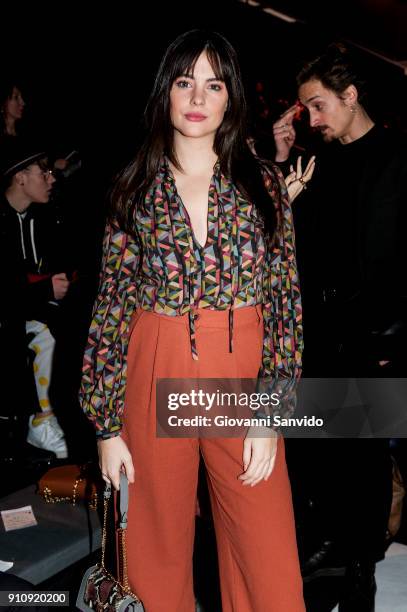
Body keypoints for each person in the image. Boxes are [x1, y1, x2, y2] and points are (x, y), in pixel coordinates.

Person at [79, 29, 312, 612]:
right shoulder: (133, 190)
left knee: (267, 552)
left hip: (241, 370)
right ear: (166, 92)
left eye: (213, 84)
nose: (197, 97)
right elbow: (110, 308)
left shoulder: (262, 185)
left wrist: (270, 410)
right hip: (155, 361)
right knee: (153, 548)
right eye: (185, 82)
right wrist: (106, 426)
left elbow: (284, 303)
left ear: (231, 97)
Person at [273, 43, 406, 610]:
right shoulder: (316, 162)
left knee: (364, 455)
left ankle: (361, 568)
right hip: (317, 327)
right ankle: (327, 554)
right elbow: (292, 244)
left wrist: (388, 336)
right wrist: (280, 164)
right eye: (307, 110)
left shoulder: (397, 154)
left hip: (374, 334)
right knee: (314, 446)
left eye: (319, 106)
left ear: (351, 97)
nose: (315, 119)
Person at [0, 139, 73, 459]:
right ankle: (40, 419)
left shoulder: (41, 217)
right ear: (20, 178)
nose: (51, 177)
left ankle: (59, 416)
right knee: (43, 335)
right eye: (43, 172)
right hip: (9, 317)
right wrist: (44, 291)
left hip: (31, 308)